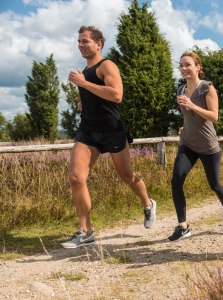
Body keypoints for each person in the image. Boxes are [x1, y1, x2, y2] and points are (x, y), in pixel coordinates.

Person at [61, 26, 156, 249]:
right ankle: (86, 232)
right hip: (88, 131)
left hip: (112, 130)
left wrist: (83, 84)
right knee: (76, 177)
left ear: (99, 44)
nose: (81, 45)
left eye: (85, 41)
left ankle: (148, 203)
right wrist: (84, 102)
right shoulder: (85, 70)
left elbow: (117, 95)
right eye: (79, 41)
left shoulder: (107, 65)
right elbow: (98, 97)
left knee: (126, 175)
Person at [168, 51, 223, 241]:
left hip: (208, 145)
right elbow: (189, 116)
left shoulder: (206, 88)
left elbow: (214, 116)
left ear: (197, 67)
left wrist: (192, 105)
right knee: (176, 179)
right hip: (187, 143)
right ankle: (183, 227)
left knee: (215, 184)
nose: (183, 68)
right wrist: (185, 126)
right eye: (181, 65)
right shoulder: (180, 90)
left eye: (187, 64)